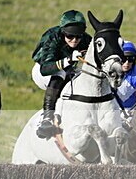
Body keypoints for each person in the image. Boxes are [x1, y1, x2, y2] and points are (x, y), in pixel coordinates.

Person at [31, 10, 92, 138]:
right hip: (43, 71)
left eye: (78, 36)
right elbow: (45, 69)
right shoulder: (52, 37)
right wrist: (68, 60)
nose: (75, 40)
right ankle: (46, 118)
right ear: (63, 32)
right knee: (60, 73)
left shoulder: (86, 39)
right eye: (70, 36)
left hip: (69, 70)